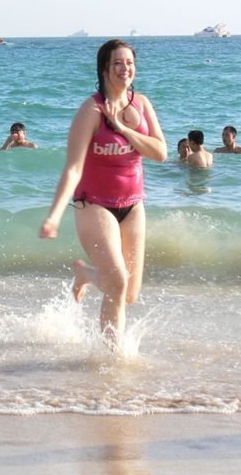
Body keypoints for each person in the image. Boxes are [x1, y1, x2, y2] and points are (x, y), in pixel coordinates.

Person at [38, 39, 167, 346]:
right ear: (105, 68)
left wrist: (123, 130)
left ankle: (86, 275)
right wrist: (54, 216)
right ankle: (113, 360)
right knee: (118, 283)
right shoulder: (91, 110)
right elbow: (73, 168)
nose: (126, 69)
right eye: (118, 63)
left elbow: (160, 152)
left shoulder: (143, 104)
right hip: (93, 205)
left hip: (133, 205)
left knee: (129, 294)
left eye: (130, 63)